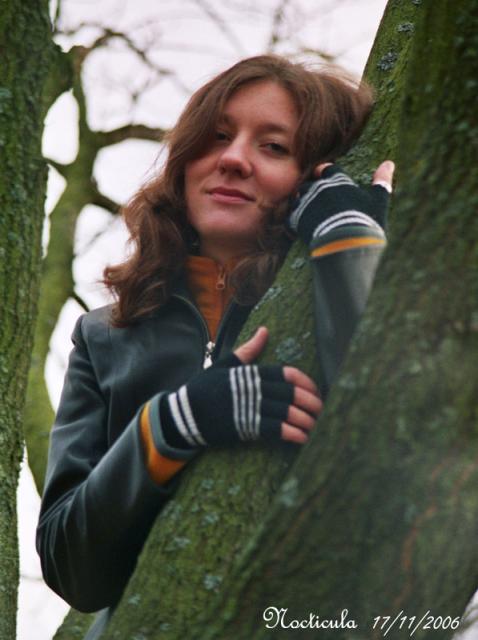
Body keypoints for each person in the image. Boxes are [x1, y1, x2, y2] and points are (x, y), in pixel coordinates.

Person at [36, 54, 394, 635]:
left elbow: (399, 444)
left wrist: (348, 242)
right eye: (217, 136)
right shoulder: (104, 335)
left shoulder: (343, 284)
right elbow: (69, 565)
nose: (233, 159)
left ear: (316, 175)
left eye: (274, 147)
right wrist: (168, 427)